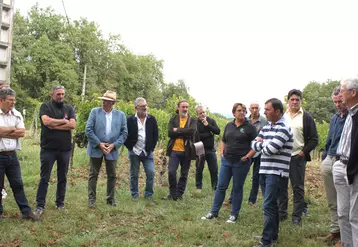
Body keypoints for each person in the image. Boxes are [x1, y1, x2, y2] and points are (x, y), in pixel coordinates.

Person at [201, 103, 257, 223]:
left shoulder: (250, 127)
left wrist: (247, 157)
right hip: (227, 161)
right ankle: (213, 212)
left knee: (237, 188)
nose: (242, 113)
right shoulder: (229, 125)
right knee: (221, 186)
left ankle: (234, 214)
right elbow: (223, 140)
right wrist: (221, 152)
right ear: (234, 113)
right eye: (239, 110)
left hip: (241, 163)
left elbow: (256, 145)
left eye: (244, 111)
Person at [251, 98, 293, 247]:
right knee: (272, 205)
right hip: (264, 170)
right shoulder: (267, 126)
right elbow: (253, 143)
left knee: (268, 205)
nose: (264, 112)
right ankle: (272, 236)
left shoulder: (284, 129)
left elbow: (269, 150)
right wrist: (261, 144)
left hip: (276, 172)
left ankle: (266, 240)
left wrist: (262, 144)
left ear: (277, 111)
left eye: (267, 110)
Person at [278, 89, 318, 225]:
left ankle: (296, 217)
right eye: (292, 99)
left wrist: (303, 153)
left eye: (297, 100)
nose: (294, 102)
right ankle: (282, 213)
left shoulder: (306, 117)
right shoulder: (282, 117)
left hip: (297, 157)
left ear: (301, 101)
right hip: (282, 157)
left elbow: (314, 139)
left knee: (298, 188)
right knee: (281, 187)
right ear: (288, 101)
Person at [35, 86, 76, 215]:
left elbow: (72, 125)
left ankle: (60, 203)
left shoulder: (69, 108)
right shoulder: (45, 107)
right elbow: (46, 122)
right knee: (44, 177)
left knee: (62, 177)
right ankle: (40, 205)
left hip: (64, 149)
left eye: (63, 94)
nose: (61, 96)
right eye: (58, 94)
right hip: (48, 149)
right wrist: (64, 122)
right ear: (51, 94)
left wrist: (55, 124)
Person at [0, 88, 39, 221]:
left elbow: (22, 133)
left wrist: (4, 131)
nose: (13, 102)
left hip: (12, 155)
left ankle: (26, 212)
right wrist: (12, 129)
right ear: (2, 100)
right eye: (10, 100)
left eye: (14, 100)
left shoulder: (16, 114)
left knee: (18, 183)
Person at [86, 90, 128, 207]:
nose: (104, 102)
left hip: (112, 148)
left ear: (113, 103)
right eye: (103, 100)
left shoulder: (121, 115)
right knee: (93, 174)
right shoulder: (95, 112)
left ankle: (110, 199)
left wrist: (114, 145)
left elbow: (124, 133)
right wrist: (99, 144)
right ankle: (92, 199)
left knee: (112, 175)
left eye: (107, 101)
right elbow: (88, 130)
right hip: (96, 147)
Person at [318, 87, 347, 245]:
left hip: (343, 159)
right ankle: (335, 229)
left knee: (345, 199)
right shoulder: (335, 118)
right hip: (330, 157)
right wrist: (325, 156)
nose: (337, 104)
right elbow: (329, 139)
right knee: (331, 198)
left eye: (340, 101)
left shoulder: (351, 117)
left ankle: (345, 235)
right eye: (335, 102)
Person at [332, 77, 358, 247]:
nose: (339, 94)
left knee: (355, 216)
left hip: (353, 168)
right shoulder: (349, 112)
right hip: (340, 165)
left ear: (353, 92)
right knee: (342, 213)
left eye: (342, 91)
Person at [124, 97, 158, 201]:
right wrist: (130, 147)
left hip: (148, 152)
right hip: (134, 151)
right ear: (136, 107)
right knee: (134, 174)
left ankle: (148, 194)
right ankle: (134, 194)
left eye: (146, 106)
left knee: (151, 172)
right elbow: (125, 135)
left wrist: (151, 148)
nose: (145, 108)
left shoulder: (152, 119)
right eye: (142, 106)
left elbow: (155, 135)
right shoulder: (130, 120)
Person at [164, 99, 198, 201]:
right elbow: (170, 133)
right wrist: (184, 132)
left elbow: (191, 132)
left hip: (187, 150)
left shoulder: (193, 120)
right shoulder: (173, 119)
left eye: (187, 107)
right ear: (178, 108)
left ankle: (179, 194)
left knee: (184, 174)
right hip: (174, 150)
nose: (185, 109)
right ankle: (172, 193)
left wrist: (177, 130)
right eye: (183, 107)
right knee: (171, 172)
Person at [195, 105, 220, 191]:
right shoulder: (195, 123)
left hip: (210, 149)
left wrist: (208, 126)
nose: (202, 114)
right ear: (197, 114)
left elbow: (217, 131)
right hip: (199, 147)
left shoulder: (211, 121)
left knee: (214, 169)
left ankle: (215, 187)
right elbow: (196, 136)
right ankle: (198, 187)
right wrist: (209, 134)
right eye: (200, 113)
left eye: (203, 112)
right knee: (199, 169)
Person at [248, 102, 267, 206]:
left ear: (259, 109)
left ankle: (252, 200)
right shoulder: (246, 120)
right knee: (240, 175)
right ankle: (232, 198)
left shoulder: (264, 121)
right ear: (249, 109)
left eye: (256, 108)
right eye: (253, 108)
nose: (255, 110)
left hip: (259, 153)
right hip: (247, 151)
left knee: (256, 177)